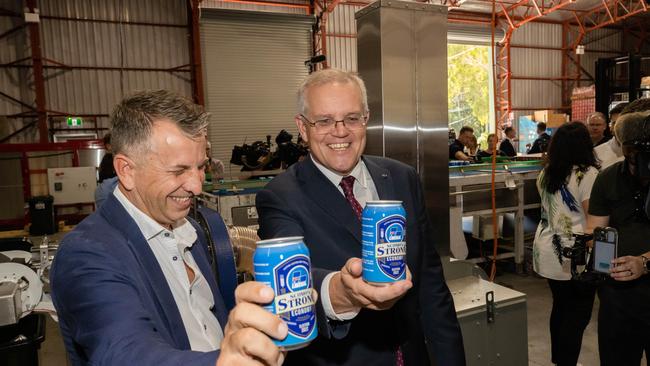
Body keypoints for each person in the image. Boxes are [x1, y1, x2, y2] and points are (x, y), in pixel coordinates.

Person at [50, 90, 289, 366]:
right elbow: (124, 353)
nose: (197, 186)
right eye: (178, 171)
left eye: (201, 167)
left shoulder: (189, 229)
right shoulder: (87, 254)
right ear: (126, 170)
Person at [256, 69, 465, 366]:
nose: (340, 132)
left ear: (366, 119)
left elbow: (431, 286)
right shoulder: (280, 196)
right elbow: (291, 281)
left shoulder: (402, 178)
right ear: (302, 128)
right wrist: (340, 291)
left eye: (352, 118)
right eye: (324, 121)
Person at [532, 122, 600, 366]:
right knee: (578, 315)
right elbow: (593, 219)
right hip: (577, 253)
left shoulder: (547, 172)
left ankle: (560, 360)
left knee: (560, 307)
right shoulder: (587, 174)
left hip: (549, 249)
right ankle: (567, 361)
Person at [587, 111, 650, 366]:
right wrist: (594, 244)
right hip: (618, 298)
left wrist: (643, 263)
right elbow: (595, 227)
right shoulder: (608, 177)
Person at [594, 103, 628, 170]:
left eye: (621, 123)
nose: (617, 127)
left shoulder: (641, 153)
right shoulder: (597, 153)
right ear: (610, 127)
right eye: (614, 123)